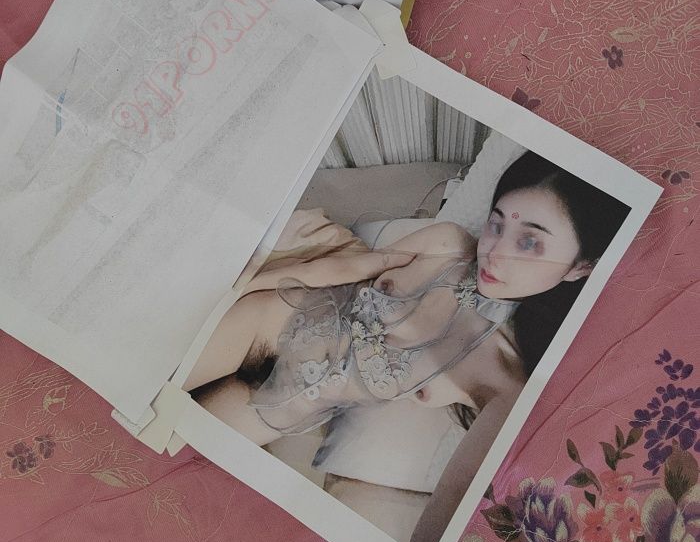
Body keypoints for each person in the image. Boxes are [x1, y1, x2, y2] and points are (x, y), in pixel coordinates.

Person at [185, 153, 629, 474]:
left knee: (171, 451)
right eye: (497, 224)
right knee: (154, 383)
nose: (494, 251)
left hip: (286, 407)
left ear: (581, 268)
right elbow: (350, 268)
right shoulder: (448, 244)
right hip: (270, 321)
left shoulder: (504, 380)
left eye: (529, 242)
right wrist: (245, 289)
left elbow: (460, 506)